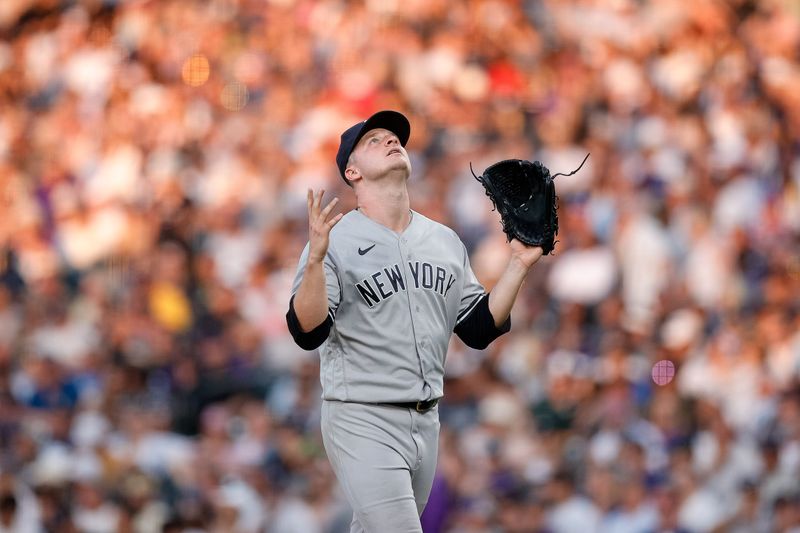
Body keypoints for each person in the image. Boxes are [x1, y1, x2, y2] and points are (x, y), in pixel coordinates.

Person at [285, 110, 543, 533]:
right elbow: (308, 331)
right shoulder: (335, 240)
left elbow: (478, 328)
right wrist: (314, 260)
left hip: (426, 421)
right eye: (374, 140)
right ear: (352, 172)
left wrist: (518, 265)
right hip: (362, 416)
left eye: (394, 138)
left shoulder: (442, 239)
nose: (391, 141)